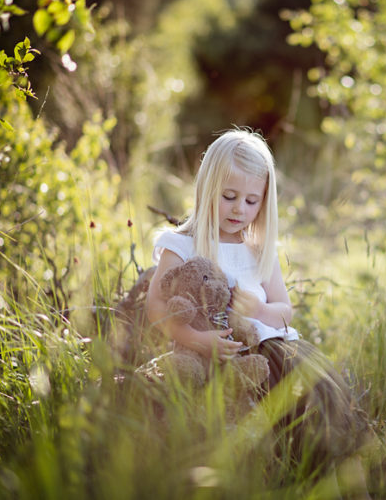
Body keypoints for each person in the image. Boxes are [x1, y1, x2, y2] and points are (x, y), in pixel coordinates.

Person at [145, 129, 369, 494]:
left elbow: (285, 312)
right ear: (206, 190)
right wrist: (198, 340)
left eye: (252, 201)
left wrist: (261, 309)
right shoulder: (180, 245)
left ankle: (343, 488)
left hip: (276, 351)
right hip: (215, 354)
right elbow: (156, 309)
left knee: (322, 400)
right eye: (229, 196)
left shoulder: (257, 248)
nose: (239, 210)